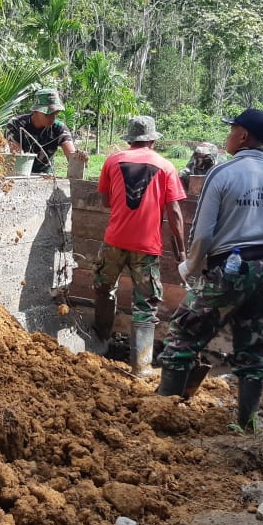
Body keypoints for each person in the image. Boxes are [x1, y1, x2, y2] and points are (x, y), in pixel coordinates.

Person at [156, 108, 263, 431]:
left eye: (232, 129)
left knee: (182, 335)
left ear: (243, 136)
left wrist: (189, 269)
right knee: (253, 349)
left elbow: (203, 234)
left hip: (231, 269)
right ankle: (248, 425)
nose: (228, 135)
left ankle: (162, 418)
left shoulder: (223, 174)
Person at [93, 116, 186, 377]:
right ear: (153, 140)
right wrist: (181, 250)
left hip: (114, 241)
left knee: (104, 289)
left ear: (130, 139)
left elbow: (105, 202)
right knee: (145, 304)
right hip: (146, 248)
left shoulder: (112, 161)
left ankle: (100, 346)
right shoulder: (166, 166)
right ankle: (141, 366)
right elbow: (176, 213)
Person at [5, 88, 78, 174]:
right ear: (36, 111)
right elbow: (18, 158)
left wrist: (79, 158)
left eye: (55, 113)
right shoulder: (16, 124)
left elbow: (72, 156)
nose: (52, 118)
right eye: (48, 113)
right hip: (19, 174)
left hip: (46, 178)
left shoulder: (59, 128)